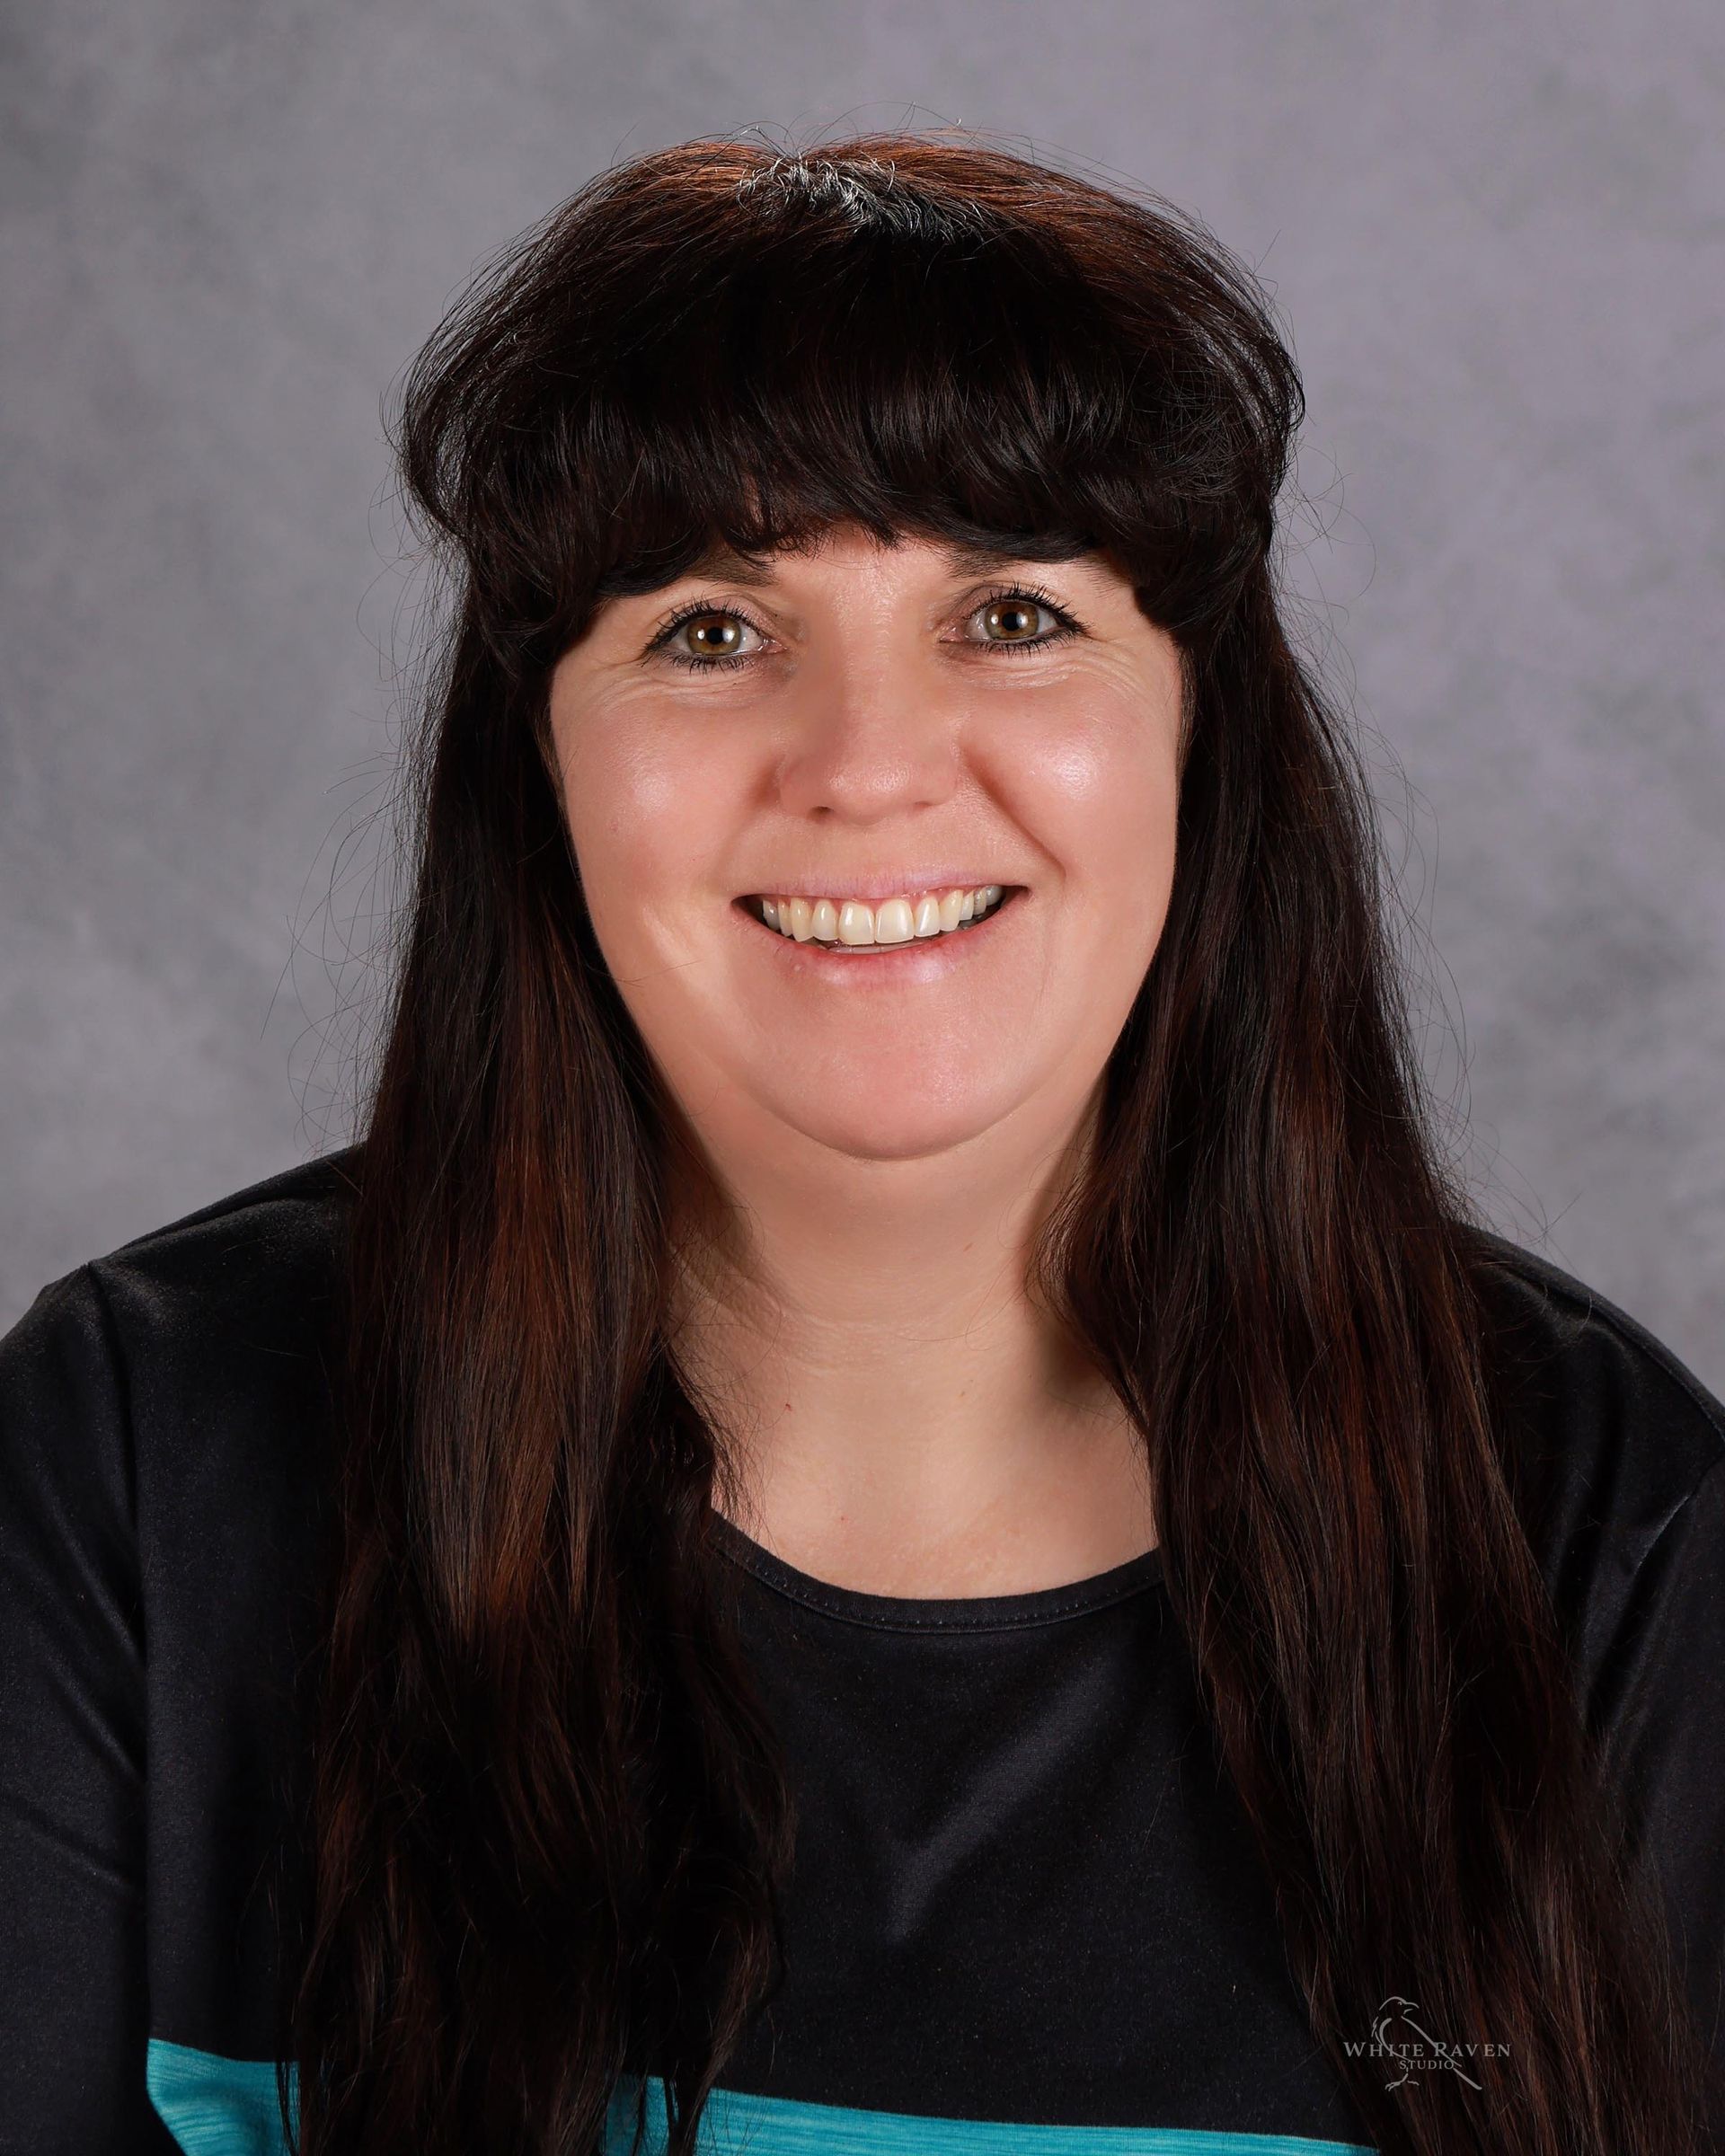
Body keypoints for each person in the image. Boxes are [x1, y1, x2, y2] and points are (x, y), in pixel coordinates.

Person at [2, 131, 1721, 2156]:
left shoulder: (1606, 1529)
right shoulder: (142, 1459)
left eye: (1009, 613)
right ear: (537, 752)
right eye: (714, 629)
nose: (867, 771)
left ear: (1198, 726)